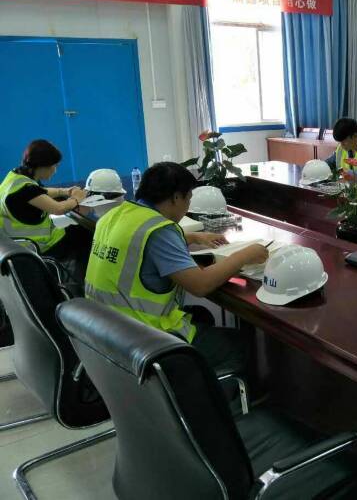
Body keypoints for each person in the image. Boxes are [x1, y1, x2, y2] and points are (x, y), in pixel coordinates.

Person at [84, 162, 268, 372]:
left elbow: (136, 243)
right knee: (240, 344)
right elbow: (200, 285)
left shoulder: (113, 215)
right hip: (145, 339)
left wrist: (192, 237)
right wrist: (243, 256)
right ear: (176, 197)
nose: (187, 207)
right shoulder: (159, 231)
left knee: (200, 317)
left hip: (105, 331)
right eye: (188, 199)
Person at [0, 139, 91, 268]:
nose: (55, 170)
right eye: (55, 166)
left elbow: (40, 192)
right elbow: (58, 209)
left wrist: (65, 191)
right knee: (86, 235)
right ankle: (81, 278)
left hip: (16, 244)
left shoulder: (16, 177)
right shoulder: (26, 190)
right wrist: (76, 199)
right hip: (39, 247)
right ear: (42, 166)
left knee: (78, 231)